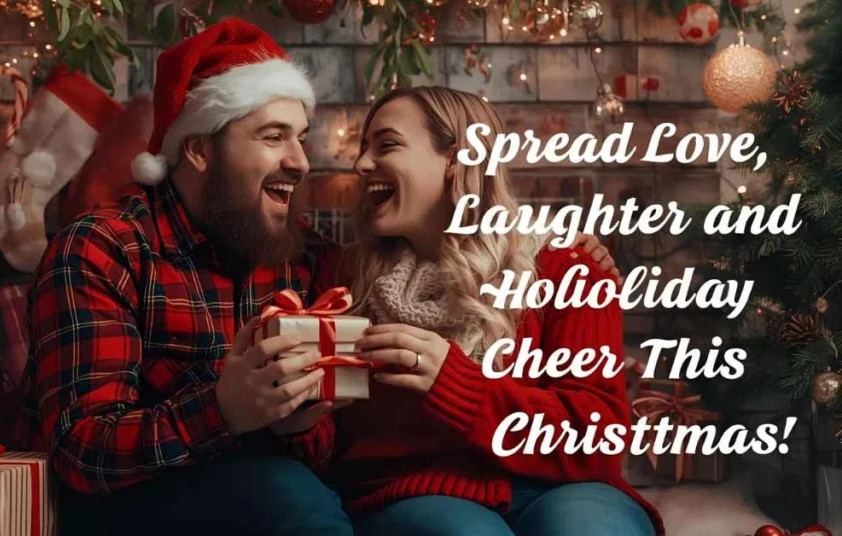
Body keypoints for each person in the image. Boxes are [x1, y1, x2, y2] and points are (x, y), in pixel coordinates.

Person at [20, 18, 620, 536]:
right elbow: (81, 451)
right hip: (147, 493)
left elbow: (324, 440)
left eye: (301, 138)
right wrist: (224, 409)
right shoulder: (105, 248)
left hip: (295, 481)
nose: (304, 162)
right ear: (199, 150)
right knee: (295, 498)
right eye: (273, 137)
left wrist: (300, 422)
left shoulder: (303, 259)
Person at [276, 86, 664, 536]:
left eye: (387, 145)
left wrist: (456, 385)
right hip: (416, 494)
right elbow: (327, 445)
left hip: (563, 489)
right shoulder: (342, 279)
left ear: (458, 159)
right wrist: (298, 421)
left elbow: (599, 440)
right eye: (364, 148)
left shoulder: (567, 267)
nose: (361, 164)